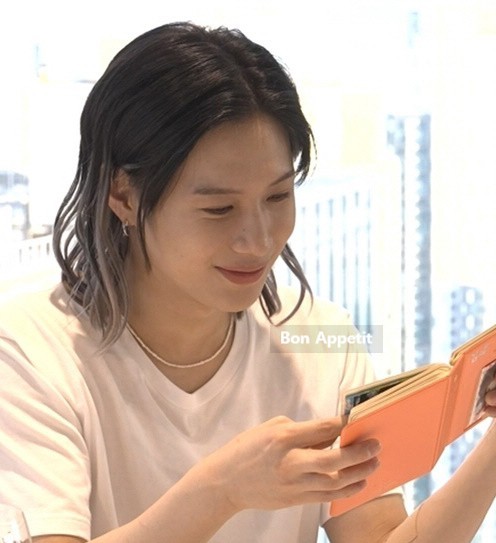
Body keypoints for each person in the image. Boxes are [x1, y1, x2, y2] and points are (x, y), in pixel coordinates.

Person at [1, 21, 496, 543]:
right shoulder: (31, 352)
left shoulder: (317, 342)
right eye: (219, 209)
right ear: (123, 195)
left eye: (279, 197)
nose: (258, 240)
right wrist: (222, 490)